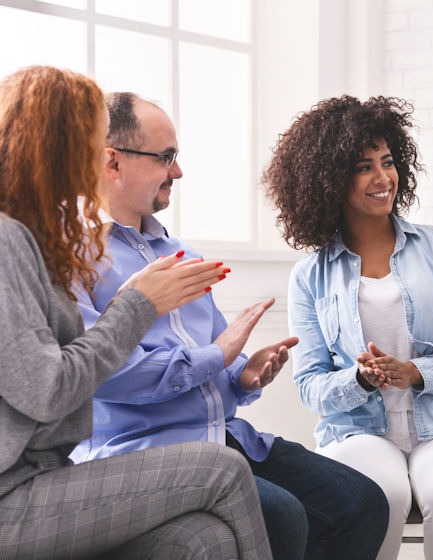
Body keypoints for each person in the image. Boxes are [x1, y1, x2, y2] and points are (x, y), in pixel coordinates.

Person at [70, 92, 388, 560]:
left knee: (361, 503)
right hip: (142, 453)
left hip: (226, 435)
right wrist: (218, 356)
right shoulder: (74, 258)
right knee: (280, 515)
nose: (177, 172)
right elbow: (109, 375)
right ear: (112, 163)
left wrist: (242, 374)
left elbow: (219, 356)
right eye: (166, 157)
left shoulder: (183, 256)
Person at [0, 66, 271, 559]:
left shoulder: (33, 237)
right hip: (12, 498)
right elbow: (46, 390)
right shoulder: (6, 238)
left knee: (205, 541)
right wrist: (136, 306)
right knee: (224, 470)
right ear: (52, 147)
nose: (101, 160)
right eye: (88, 143)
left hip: (45, 477)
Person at [262, 95, 433, 560]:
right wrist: (358, 380)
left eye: (388, 162)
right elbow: (310, 384)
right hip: (356, 434)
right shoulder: (310, 276)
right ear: (329, 181)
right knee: (379, 499)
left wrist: (417, 372)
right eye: (363, 166)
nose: (382, 177)